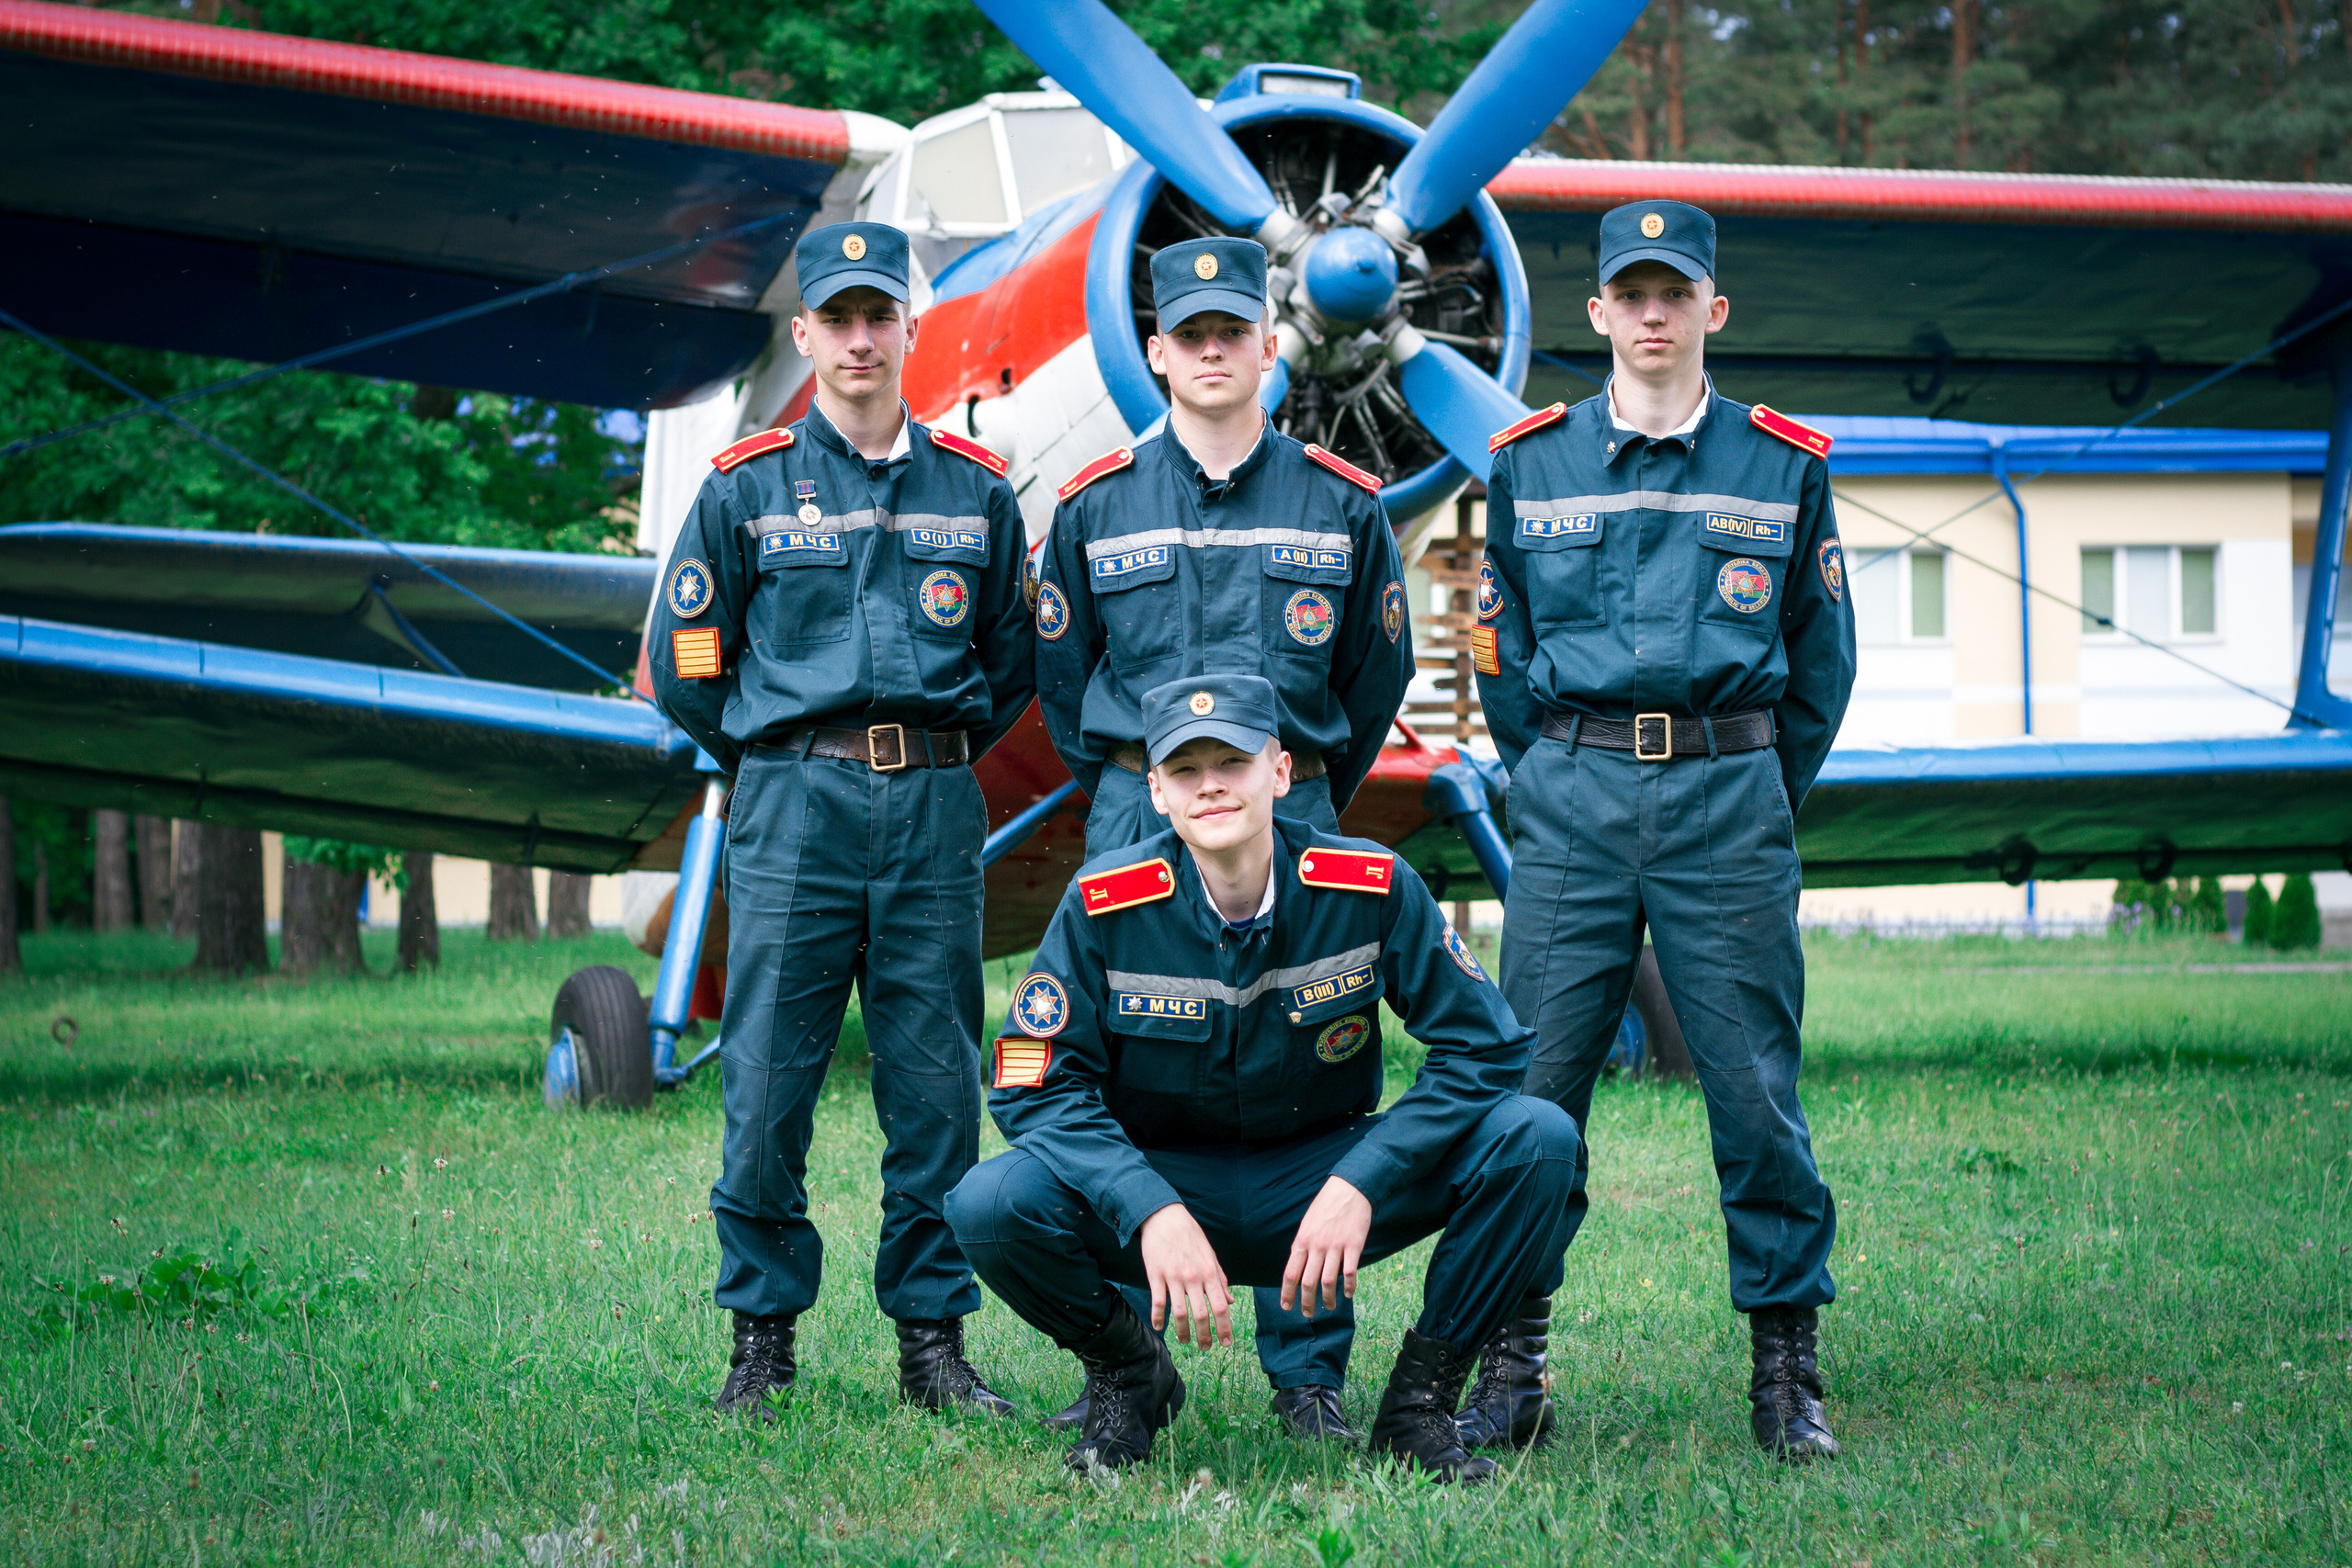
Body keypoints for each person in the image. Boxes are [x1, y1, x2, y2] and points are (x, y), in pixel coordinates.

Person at [944, 673, 1581, 1482]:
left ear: (1279, 771)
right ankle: (1129, 1379)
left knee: (1538, 1141)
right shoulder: (1103, 905)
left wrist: (1364, 1178)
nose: (1210, 783)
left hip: (1323, 1177)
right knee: (989, 1204)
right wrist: (1147, 1208)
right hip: (1169, 1179)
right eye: (1184, 770)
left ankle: (1419, 1408)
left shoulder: (1369, 885)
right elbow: (1035, 1085)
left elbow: (1485, 1048)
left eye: (1232, 761)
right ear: (1158, 794)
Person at [1465, 199, 1856, 1461]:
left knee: (1753, 1091)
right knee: (1533, 1090)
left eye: (1673, 292)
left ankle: (1786, 1368)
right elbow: (1502, 654)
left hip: (1727, 802)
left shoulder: (1785, 464)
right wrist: (1559, 769)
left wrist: (1745, 782)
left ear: (1711, 310)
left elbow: (1821, 666)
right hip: (1572, 801)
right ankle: (1514, 1364)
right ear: (1597, 313)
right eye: (1630, 293)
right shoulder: (1529, 463)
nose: (1651, 313)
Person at [647, 220, 1035, 1421]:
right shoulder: (744, 487)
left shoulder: (976, 495)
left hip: (929, 806)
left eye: (882, 316)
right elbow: (686, 662)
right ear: (806, 333)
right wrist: (777, 750)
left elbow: (1011, 663)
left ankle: (934, 1345)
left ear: (909, 329)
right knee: (766, 1084)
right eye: (840, 318)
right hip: (793, 808)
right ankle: (761, 1342)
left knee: (935, 1088)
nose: (862, 339)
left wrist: (925, 754)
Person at [1031, 235, 1416, 1436]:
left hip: (1291, 811)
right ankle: (1124, 1363)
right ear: (1156, 351)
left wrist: (1297, 789)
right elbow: (1060, 674)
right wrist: (1147, 784)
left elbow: (1376, 667)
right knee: (1116, 1067)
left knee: (1315, 1072)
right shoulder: (1094, 506)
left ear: (1269, 349)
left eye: (1231, 332)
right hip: (1135, 816)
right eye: (1188, 333)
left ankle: (1310, 1374)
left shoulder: (1341, 503)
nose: (1210, 350)